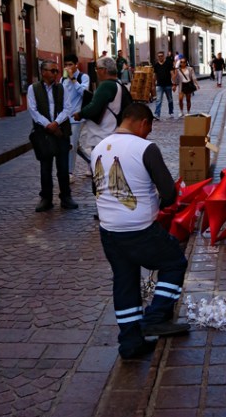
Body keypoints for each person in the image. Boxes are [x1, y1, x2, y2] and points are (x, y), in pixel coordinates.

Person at [92, 102, 189, 360]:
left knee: (125, 281)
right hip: (140, 229)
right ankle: (155, 317)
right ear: (143, 123)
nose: (149, 133)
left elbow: (97, 189)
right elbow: (169, 191)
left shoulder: (98, 148)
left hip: (109, 230)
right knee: (174, 262)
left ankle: (130, 343)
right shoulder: (146, 148)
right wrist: (159, 205)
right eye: (149, 128)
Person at [27, 62, 78, 212]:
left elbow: (68, 108)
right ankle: (46, 198)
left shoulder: (62, 87)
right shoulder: (33, 89)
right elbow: (33, 110)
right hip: (43, 133)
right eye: (53, 71)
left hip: (61, 132)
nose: (56, 74)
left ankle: (66, 196)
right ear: (43, 72)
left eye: (57, 71)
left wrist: (56, 123)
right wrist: (47, 124)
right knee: (45, 167)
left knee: (63, 167)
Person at [77, 57, 132, 163]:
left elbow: (94, 107)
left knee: (100, 167)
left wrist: (80, 114)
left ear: (104, 70)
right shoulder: (118, 83)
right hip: (111, 132)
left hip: (102, 134)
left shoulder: (106, 85)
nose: (97, 72)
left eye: (97, 69)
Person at [62, 53, 90, 176]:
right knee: (75, 145)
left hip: (77, 117)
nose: (68, 67)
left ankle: (70, 173)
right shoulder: (62, 79)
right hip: (65, 117)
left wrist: (73, 79)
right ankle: (92, 161)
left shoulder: (83, 77)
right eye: (66, 65)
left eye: (70, 64)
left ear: (76, 65)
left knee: (71, 145)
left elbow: (84, 92)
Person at [152, 50, 175, 120]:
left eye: (161, 56)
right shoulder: (156, 65)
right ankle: (157, 114)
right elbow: (154, 75)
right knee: (158, 100)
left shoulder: (168, 63)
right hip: (159, 85)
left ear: (164, 56)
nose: (160, 57)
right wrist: (153, 85)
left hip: (168, 84)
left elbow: (172, 74)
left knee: (170, 99)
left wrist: (174, 84)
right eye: (159, 56)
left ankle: (171, 112)